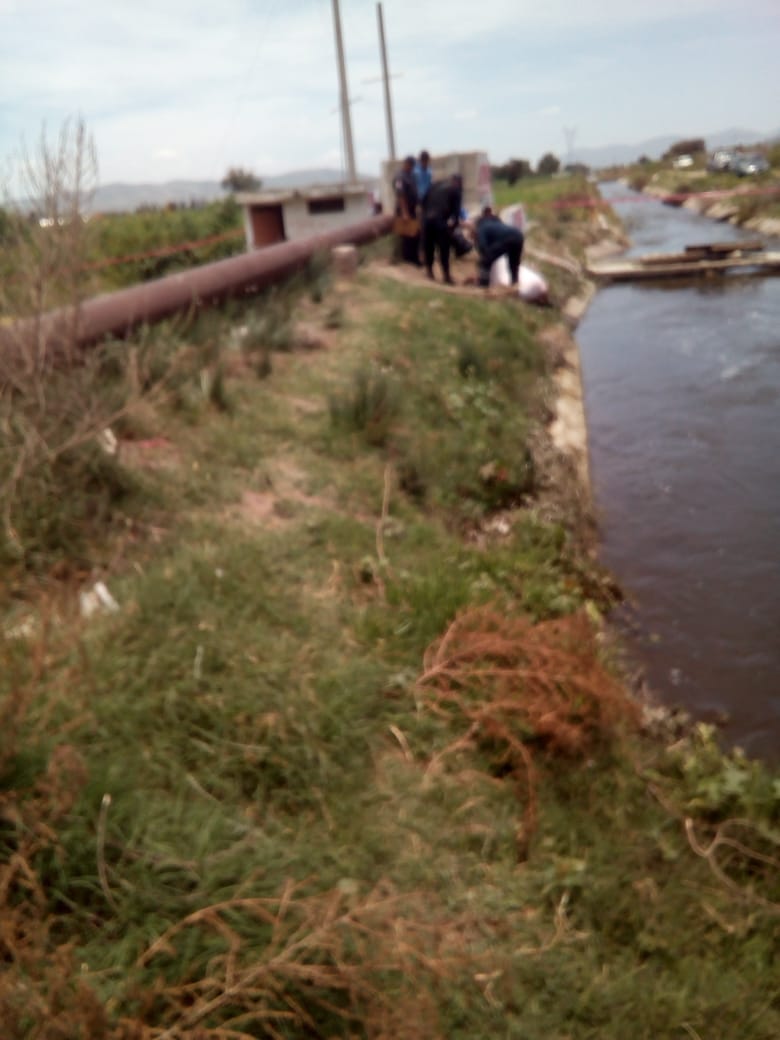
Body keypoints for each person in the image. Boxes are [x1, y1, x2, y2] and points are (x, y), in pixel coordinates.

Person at [422, 173, 463, 284]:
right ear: (458, 183)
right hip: (440, 220)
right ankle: (446, 275)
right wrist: (453, 229)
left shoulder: (434, 186)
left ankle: (430, 272)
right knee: (444, 248)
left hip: (427, 220)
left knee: (429, 246)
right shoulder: (456, 190)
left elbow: (423, 202)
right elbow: (456, 214)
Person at [475, 206, 524, 287]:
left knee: (485, 260)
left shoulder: (482, 227)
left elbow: (482, 245)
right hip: (518, 235)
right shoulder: (497, 222)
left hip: (507, 239)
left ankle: (483, 284)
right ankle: (514, 283)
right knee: (513, 263)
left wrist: (483, 258)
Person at [392, 155, 420, 266]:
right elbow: (400, 195)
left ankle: (414, 258)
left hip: (412, 210)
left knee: (414, 234)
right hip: (404, 210)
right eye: (411, 165)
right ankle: (409, 260)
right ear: (406, 164)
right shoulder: (400, 177)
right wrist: (404, 212)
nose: (412, 168)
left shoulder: (411, 175)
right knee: (407, 236)